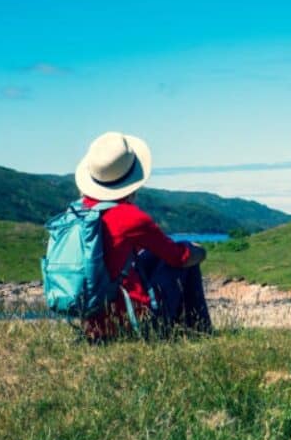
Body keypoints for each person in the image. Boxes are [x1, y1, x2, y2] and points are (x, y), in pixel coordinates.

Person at [74, 132, 212, 341]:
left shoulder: (78, 212)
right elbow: (179, 257)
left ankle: (193, 331)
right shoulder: (130, 217)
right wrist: (199, 251)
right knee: (187, 258)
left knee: (155, 257)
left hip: (94, 324)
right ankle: (200, 331)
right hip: (132, 324)